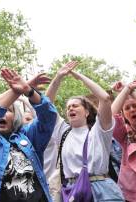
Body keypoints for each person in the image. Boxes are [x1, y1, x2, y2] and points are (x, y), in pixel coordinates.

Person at [45, 61, 124, 201]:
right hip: (73, 191)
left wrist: (79, 76)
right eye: (68, 107)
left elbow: (105, 98)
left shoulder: (99, 131)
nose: (70, 109)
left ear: (87, 112)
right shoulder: (62, 131)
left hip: (102, 191)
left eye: (75, 106)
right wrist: (58, 77)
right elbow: (45, 105)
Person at [0, 68, 56, 202]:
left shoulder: (27, 136)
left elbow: (49, 117)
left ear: (15, 116)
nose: (2, 113)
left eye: (8, 110)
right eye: (2, 109)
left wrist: (29, 91)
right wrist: (16, 91)